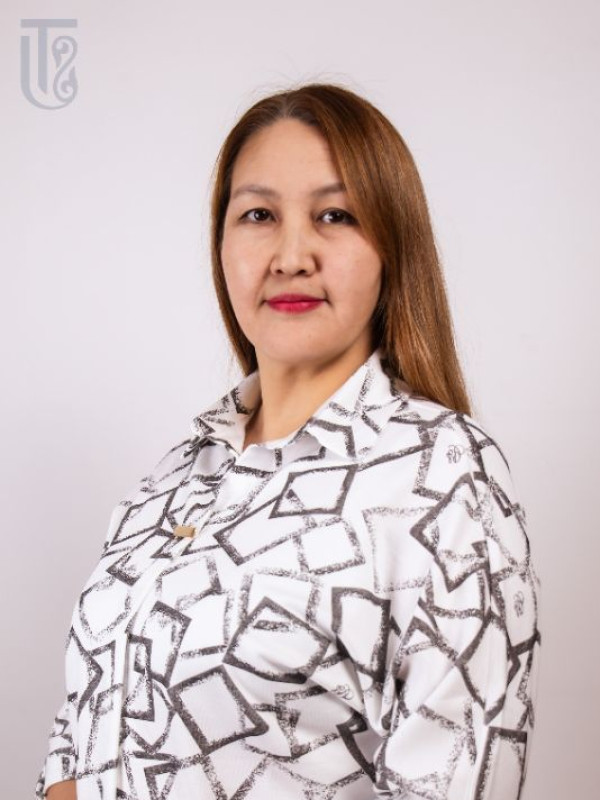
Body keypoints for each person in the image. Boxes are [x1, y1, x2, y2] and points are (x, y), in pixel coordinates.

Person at [36, 82, 541, 800]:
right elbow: (79, 742)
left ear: (392, 247)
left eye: (335, 215)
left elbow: (457, 774)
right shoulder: (174, 478)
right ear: (221, 245)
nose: (291, 254)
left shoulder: (442, 474)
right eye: (259, 215)